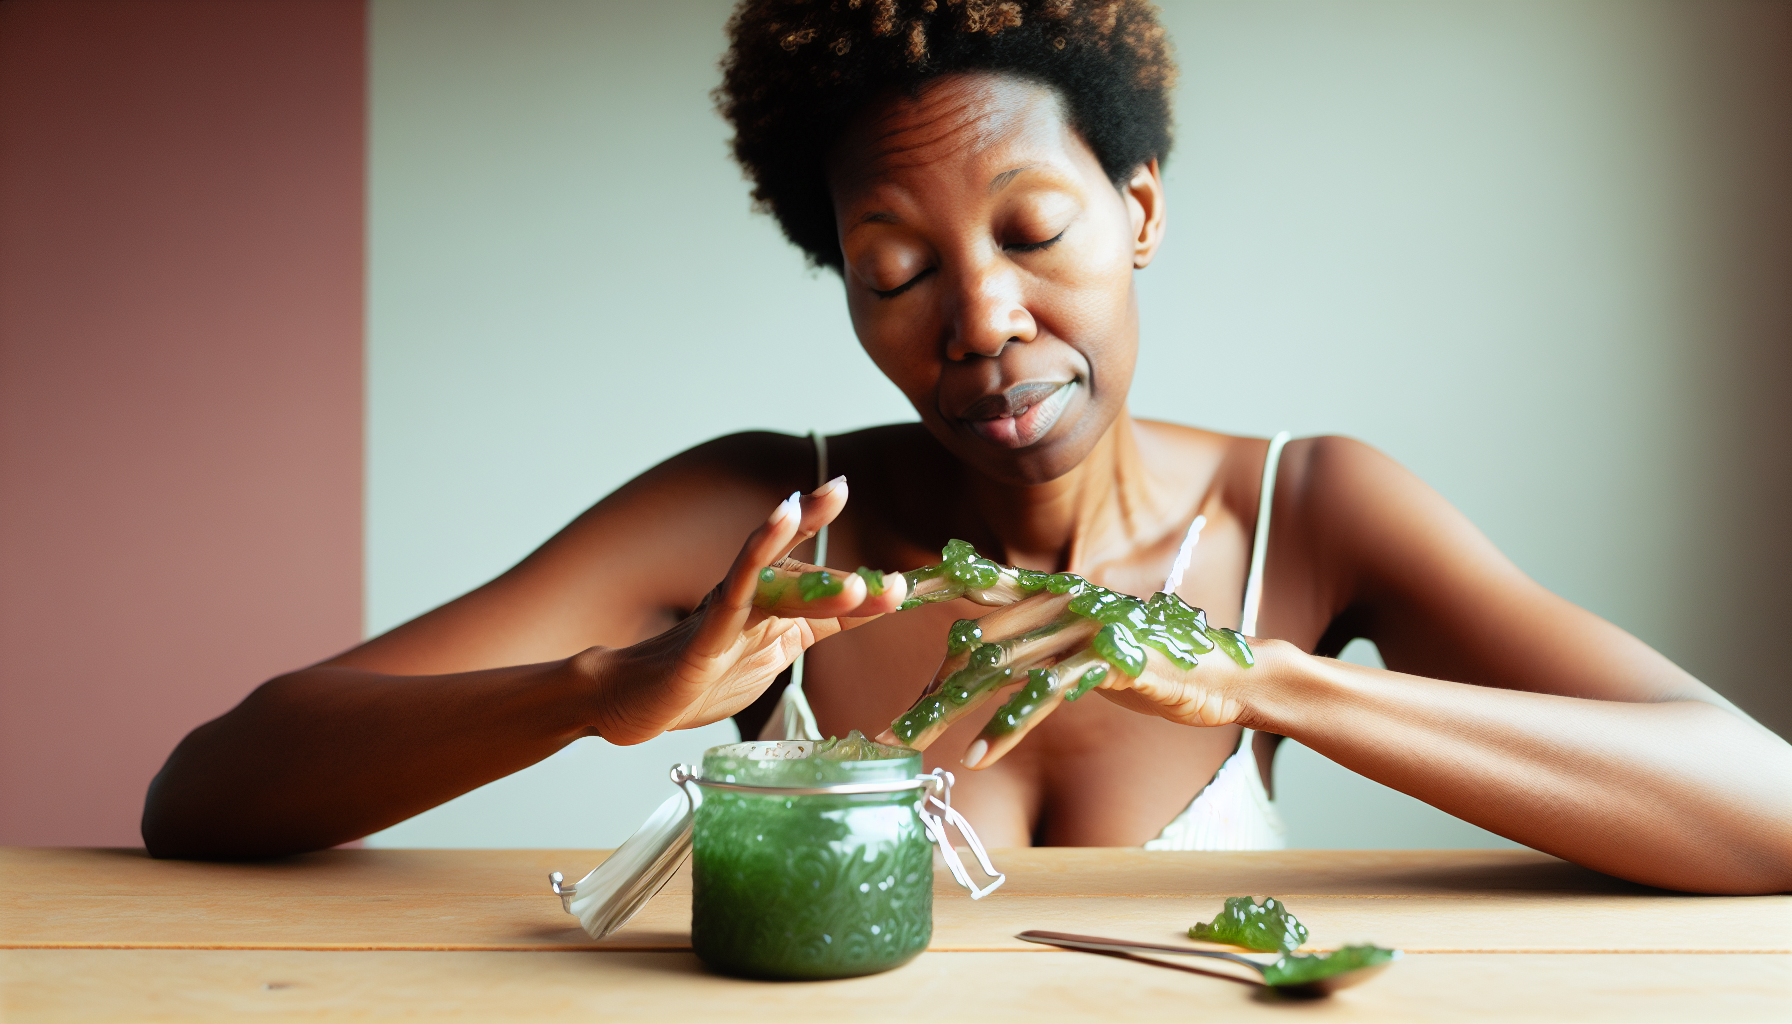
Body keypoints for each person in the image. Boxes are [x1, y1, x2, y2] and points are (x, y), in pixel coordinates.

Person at [143, 0, 1791, 894]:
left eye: (1035, 228)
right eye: (896, 268)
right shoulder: (759, 514)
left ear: (1139, 214)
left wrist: (1269, 683)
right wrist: (598, 696)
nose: (981, 316)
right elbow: (209, 792)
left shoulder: (1312, 511)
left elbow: (1764, 811)